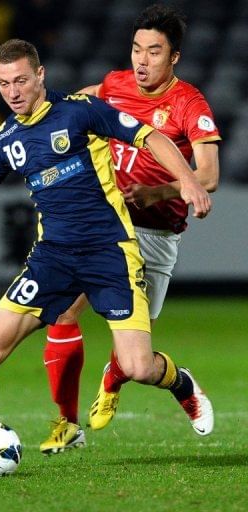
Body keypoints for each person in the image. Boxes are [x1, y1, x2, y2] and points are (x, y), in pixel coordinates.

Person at [0, 38, 211, 473]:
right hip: (53, 259)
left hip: (110, 254)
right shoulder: (3, 141)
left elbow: (150, 136)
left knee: (137, 366)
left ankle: (181, 383)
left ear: (40, 76)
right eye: (4, 83)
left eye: (21, 80)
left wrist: (188, 181)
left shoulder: (80, 111)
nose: (13, 91)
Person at [40, 4, 220, 454]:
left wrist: (157, 193)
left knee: (133, 360)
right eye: (137, 49)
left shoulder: (188, 102)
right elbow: (82, 100)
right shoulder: (117, 83)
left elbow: (210, 175)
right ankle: (65, 422)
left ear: (173, 57)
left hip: (156, 235)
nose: (142, 60)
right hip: (105, 228)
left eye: (154, 52)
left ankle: (171, 382)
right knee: (63, 312)